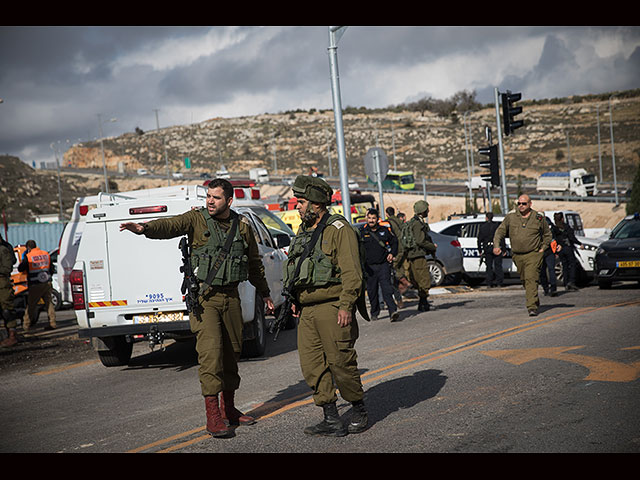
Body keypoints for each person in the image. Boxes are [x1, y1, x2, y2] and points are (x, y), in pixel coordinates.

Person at [120, 178, 274, 439]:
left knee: (232, 352)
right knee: (211, 355)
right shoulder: (197, 220)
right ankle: (213, 417)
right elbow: (170, 225)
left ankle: (230, 409)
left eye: (215, 197)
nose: (210, 201)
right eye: (208, 197)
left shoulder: (243, 227)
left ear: (229, 200)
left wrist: (266, 293)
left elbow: (254, 263)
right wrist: (144, 228)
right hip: (206, 300)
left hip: (231, 297)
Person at [284, 175, 368, 436]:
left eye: (301, 202)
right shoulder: (304, 231)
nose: (297, 207)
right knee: (313, 367)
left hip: (333, 307)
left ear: (317, 203)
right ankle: (330, 417)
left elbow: (352, 273)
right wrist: (296, 299)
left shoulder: (339, 229)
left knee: (341, 363)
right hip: (307, 310)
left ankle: (358, 409)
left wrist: (346, 305)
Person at [493, 194, 552, 316]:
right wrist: (496, 246)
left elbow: (547, 235)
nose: (521, 206)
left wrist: (543, 249)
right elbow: (500, 232)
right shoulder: (511, 217)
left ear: (530, 204)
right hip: (517, 255)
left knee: (531, 278)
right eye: (519, 203)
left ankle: (531, 307)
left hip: (533, 254)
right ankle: (534, 299)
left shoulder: (538, 218)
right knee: (525, 280)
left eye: (524, 203)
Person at [360, 208, 399, 322]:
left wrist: (392, 253)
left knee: (387, 289)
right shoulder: (362, 232)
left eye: (373, 218)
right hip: (369, 267)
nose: (371, 220)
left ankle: (393, 311)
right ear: (366, 218)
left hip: (383, 265)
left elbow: (394, 242)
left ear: (377, 219)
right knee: (372, 291)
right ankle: (374, 312)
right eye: (369, 218)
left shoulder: (384, 230)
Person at [399, 200, 437, 312]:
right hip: (417, 255)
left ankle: (423, 303)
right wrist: (432, 246)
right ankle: (423, 303)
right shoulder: (417, 224)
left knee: (420, 278)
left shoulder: (415, 222)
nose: (428, 211)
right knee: (423, 279)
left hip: (415, 254)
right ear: (423, 211)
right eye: (427, 209)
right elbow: (420, 241)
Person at [18, 240, 56, 333]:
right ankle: (53, 323)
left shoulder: (29, 256)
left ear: (28, 248)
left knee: (31, 305)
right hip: (47, 282)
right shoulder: (46, 254)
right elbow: (51, 268)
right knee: (49, 303)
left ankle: (26, 325)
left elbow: (20, 268)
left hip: (35, 284)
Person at [552, 212, 581, 292]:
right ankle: (571, 282)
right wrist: (579, 244)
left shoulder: (555, 229)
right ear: (562, 219)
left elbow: (553, 239)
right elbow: (572, 238)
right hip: (567, 248)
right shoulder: (566, 227)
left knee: (564, 266)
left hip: (560, 250)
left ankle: (566, 283)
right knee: (572, 265)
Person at [477, 212, 505, 288]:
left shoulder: (483, 227)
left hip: (487, 248)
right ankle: (499, 282)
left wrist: (480, 250)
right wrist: (504, 249)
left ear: (486, 218)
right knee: (498, 266)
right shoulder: (497, 226)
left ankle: (489, 283)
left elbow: (479, 240)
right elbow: (501, 238)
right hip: (497, 247)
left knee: (489, 266)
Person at [0, 234, 19, 347]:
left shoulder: (3, 250)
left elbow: (8, 268)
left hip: (2, 283)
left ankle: (12, 336)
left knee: (7, 310)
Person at [539, 216, 558, 296]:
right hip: (545, 251)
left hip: (545, 251)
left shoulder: (537, 226)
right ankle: (550, 288)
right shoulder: (549, 225)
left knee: (546, 270)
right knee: (548, 270)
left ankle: (549, 288)